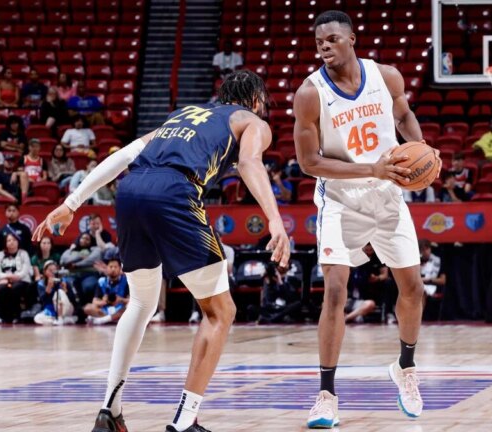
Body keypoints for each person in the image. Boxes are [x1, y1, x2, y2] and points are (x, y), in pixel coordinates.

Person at [33, 69, 290, 432]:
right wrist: (275, 220)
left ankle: (110, 411)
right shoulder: (252, 121)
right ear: (256, 100)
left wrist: (71, 203)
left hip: (130, 191)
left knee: (141, 303)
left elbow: (126, 154)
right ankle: (185, 419)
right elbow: (249, 162)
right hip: (175, 192)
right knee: (220, 311)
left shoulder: (184, 114)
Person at [293, 11, 437, 427]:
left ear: (352, 39)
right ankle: (326, 395)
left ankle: (405, 368)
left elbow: (403, 116)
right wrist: (369, 168)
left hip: (387, 194)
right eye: (319, 42)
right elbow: (308, 162)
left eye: (332, 39)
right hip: (341, 199)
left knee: (413, 288)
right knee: (335, 292)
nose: (324, 46)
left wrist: (423, 149)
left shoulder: (386, 76)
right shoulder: (310, 93)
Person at [0, 233, 33, 324]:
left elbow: (25, 271)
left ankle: (16, 315)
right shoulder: (0, 255)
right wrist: (7, 277)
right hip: (4, 281)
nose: (11, 242)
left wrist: (14, 277)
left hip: (21, 280)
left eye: (14, 240)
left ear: (18, 242)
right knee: (1, 288)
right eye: (9, 240)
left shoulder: (23, 254)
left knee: (15, 288)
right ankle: (2, 316)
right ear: (5, 243)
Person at [83, 258, 129, 325]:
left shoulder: (126, 281)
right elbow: (94, 301)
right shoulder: (101, 281)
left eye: (115, 267)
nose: (113, 269)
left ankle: (103, 320)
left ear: (120, 269)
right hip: (105, 310)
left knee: (129, 307)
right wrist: (104, 302)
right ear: (106, 268)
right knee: (88, 308)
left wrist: (120, 300)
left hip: (120, 308)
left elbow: (131, 300)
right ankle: (113, 319)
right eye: (111, 267)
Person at [33, 260, 78, 325]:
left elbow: (73, 300)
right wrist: (48, 288)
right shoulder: (41, 284)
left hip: (66, 308)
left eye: (55, 270)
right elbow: (44, 302)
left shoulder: (64, 281)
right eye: (50, 270)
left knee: (59, 292)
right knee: (37, 318)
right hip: (51, 310)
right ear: (45, 272)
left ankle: (60, 318)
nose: (53, 272)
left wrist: (65, 291)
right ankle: (63, 320)